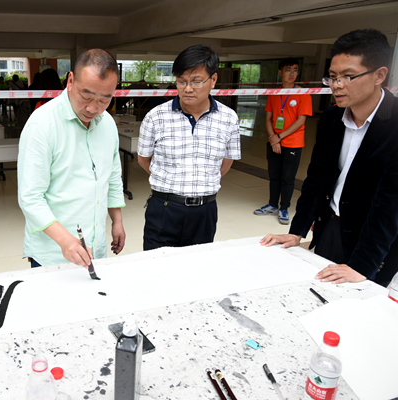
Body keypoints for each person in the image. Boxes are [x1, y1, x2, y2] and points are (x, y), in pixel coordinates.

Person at [261, 29, 398, 287]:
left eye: (348, 76)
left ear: (379, 75)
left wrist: (363, 265)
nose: (337, 85)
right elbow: (316, 179)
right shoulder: (332, 119)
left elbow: (390, 204)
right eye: (333, 77)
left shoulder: (395, 123)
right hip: (330, 227)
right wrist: (297, 232)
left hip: (375, 241)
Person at [18, 48, 126, 268]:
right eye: (86, 97)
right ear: (70, 81)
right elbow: (30, 198)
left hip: (96, 248)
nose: (93, 108)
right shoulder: (42, 124)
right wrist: (66, 241)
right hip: (53, 254)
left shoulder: (107, 124)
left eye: (104, 100)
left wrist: (117, 220)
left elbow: (112, 176)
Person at [137, 44, 241, 251]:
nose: (188, 89)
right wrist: (172, 180)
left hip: (205, 211)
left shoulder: (229, 118)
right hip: (164, 209)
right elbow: (143, 159)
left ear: (213, 79)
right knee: (156, 265)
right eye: (181, 81)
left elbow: (225, 163)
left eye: (196, 81)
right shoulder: (156, 116)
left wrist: (201, 180)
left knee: (197, 267)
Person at [254, 58, 312, 225]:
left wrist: (279, 137)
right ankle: (272, 204)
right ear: (280, 72)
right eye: (288, 70)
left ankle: (284, 208)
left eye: (295, 70)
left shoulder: (303, 93)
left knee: (288, 177)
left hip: (293, 142)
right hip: (274, 141)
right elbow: (268, 119)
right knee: (274, 175)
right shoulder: (274, 93)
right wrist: (274, 139)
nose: (292, 73)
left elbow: (301, 120)